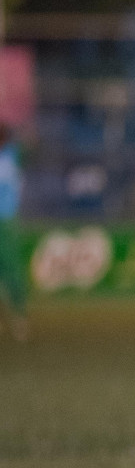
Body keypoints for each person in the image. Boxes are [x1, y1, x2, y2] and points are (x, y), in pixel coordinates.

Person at [0, 123, 28, 340]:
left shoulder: (12, 155)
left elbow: (33, 146)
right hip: (7, 221)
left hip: (6, 221)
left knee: (11, 271)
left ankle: (20, 318)